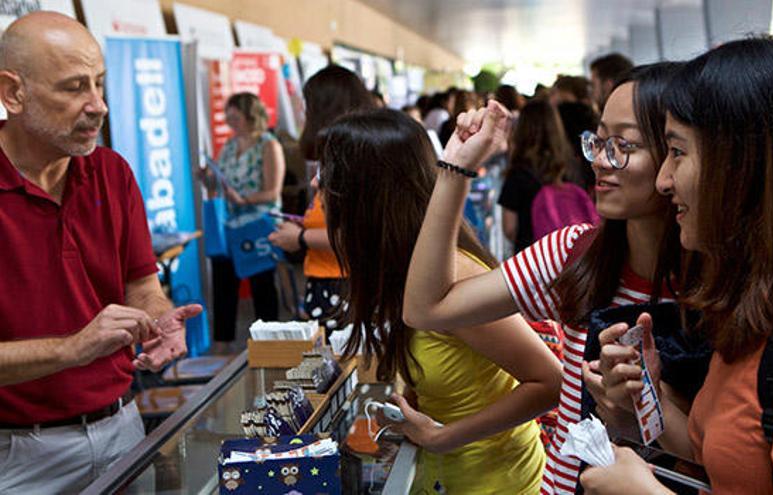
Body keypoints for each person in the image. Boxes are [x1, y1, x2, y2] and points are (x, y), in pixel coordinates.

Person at [582, 37, 773, 494]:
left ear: (744, 167)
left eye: (677, 152)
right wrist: (644, 402)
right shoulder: (761, 302)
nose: (664, 181)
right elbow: (723, 454)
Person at [403, 63, 684, 495]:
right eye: (599, 141)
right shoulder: (575, 252)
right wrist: (455, 167)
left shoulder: (724, 285)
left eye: (623, 144)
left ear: (679, 156)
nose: (600, 162)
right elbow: (426, 307)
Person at [0, 12, 202, 493]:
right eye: (74, 88)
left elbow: (141, 284)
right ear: (12, 93)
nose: (99, 106)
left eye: (100, 83)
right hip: (16, 456)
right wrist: (73, 348)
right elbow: (81, 342)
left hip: (122, 428)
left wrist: (156, 319)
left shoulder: (112, 173)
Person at [320, 108, 560, 494]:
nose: (317, 183)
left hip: (494, 483)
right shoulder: (405, 266)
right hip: (447, 475)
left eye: (330, 174)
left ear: (366, 192)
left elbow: (549, 381)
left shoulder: (456, 276)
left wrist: (443, 436)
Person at [269, 65, 373, 336]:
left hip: (342, 286)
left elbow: (358, 236)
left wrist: (300, 238)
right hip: (332, 283)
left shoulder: (351, 161)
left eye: (308, 104)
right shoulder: (348, 155)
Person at [209, 92, 284, 349]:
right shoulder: (229, 147)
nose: (230, 120)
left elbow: (272, 191)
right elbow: (220, 184)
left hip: (258, 226)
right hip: (229, 227)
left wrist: (244, 200)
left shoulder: (268, 145)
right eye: (227, 115)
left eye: (235, 115)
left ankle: (271, 347)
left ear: (249, 115)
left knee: (263, 287)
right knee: (224, 287)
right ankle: (222, 346)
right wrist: (207, 178)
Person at [498, 99, 585, 252]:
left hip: (530, 259)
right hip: (567, 256)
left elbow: (509, 229)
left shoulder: (518, 173)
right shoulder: (570, 166)